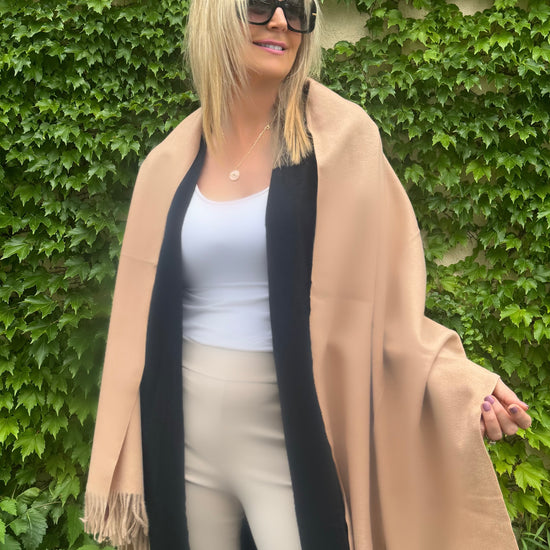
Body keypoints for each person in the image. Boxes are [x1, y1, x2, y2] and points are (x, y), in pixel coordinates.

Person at [83, 1, 532, 549]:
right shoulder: (169, 162)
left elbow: (388, 304)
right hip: (183, 430)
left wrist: (458, 385)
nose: (280, 21)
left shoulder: (343, 142)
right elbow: (139, 319)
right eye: (259, 5)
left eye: (296, 10)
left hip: (287, 431)